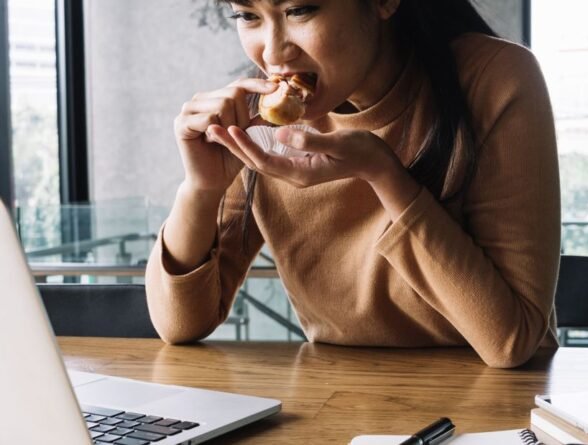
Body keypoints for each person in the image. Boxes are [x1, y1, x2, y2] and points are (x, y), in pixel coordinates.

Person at [145, 0, 561, 368]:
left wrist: (383, 174)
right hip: (342, 398)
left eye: (300, 10)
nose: (273, 53)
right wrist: (200, 190)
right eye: (247, 15)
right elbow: (179, 325)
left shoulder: (494, 78)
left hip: (493, 409)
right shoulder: (260, 121)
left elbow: (511, 341)